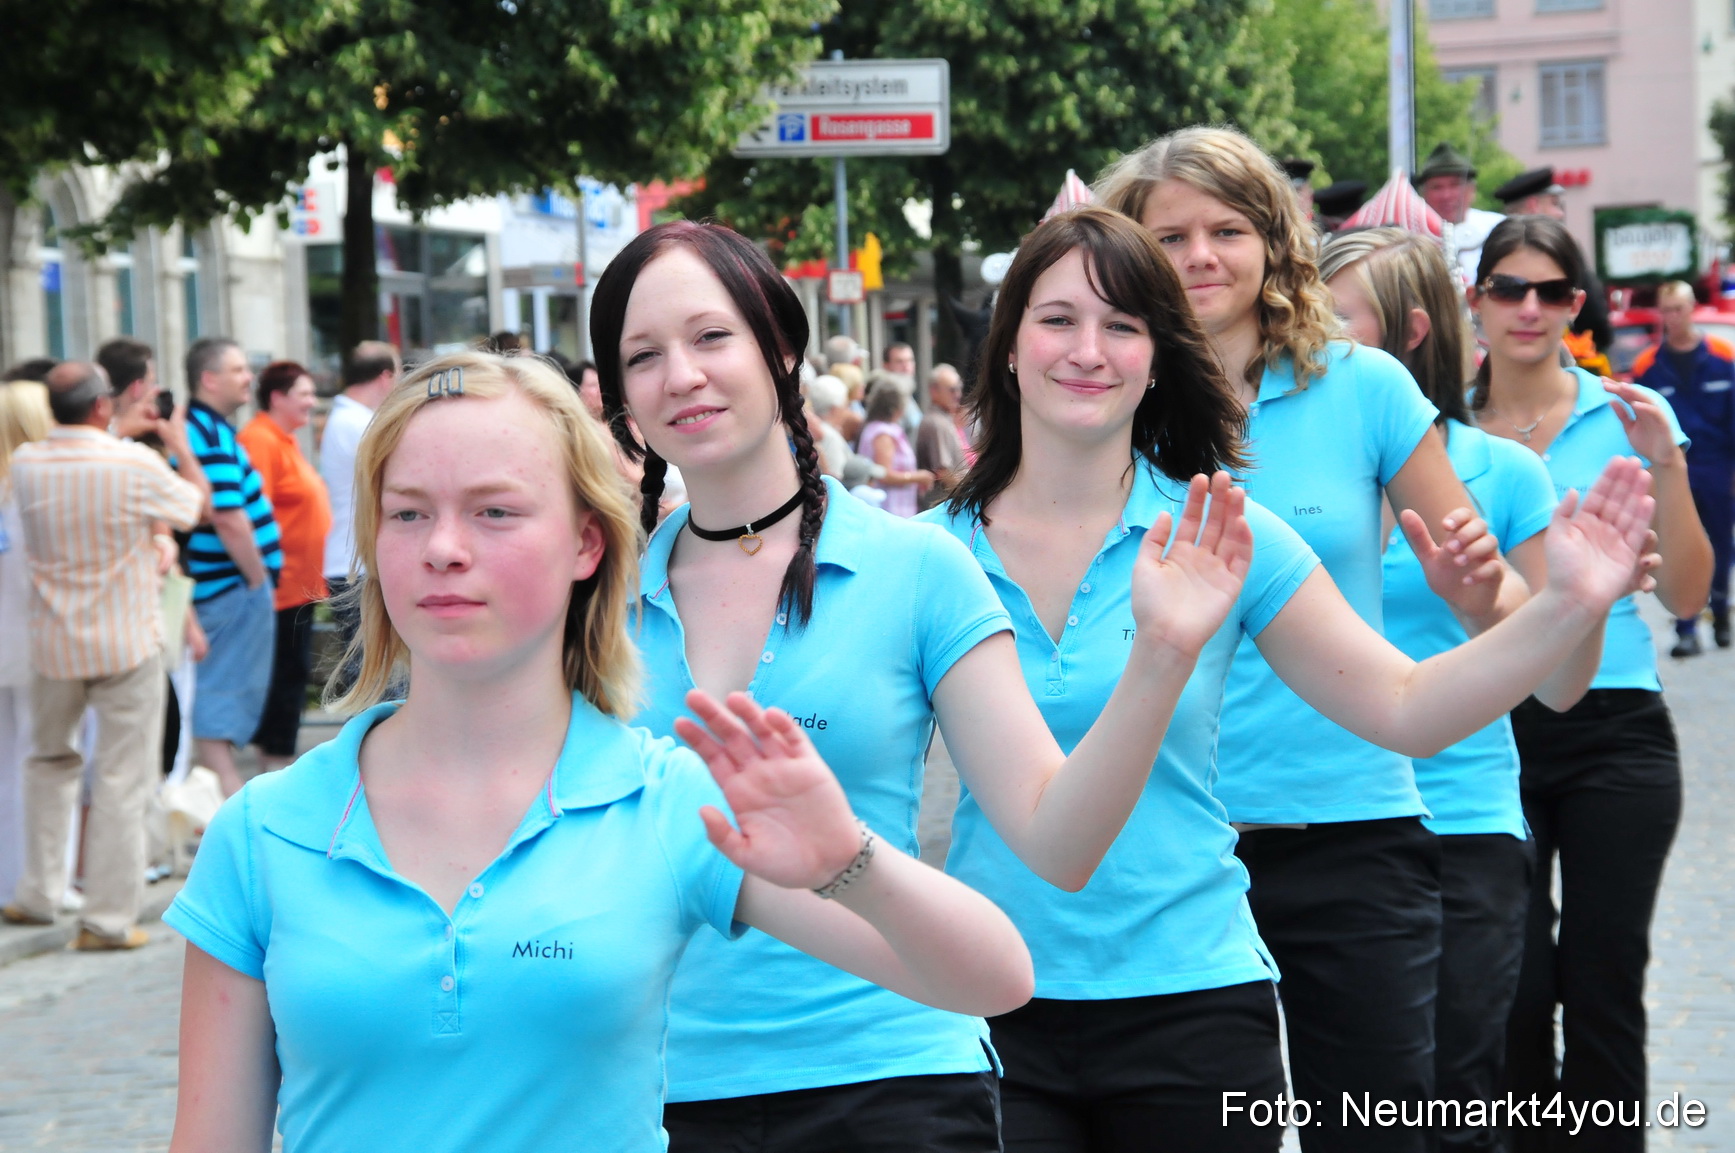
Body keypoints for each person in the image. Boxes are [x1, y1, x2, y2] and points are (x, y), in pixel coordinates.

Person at [163, 350, 1034, 1153]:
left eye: (495, 511)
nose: (443, 549)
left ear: (586, 541)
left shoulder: (664, 799)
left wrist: (852, 861)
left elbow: (993, 977)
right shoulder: (262, 830)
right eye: (407, 513)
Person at [921, 204, 1650, 1153]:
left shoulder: (1224, 532)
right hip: (990, 1002)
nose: (1088, 350)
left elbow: (1405, 706)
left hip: (1192, 1002)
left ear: (1156, 358)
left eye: (1123, 325)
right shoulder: (928, 558)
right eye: (1057, 319)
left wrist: (1563, 609)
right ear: (1007, 347)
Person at [591, 219, 1264, 1152]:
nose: (682, 375)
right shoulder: (593, 600)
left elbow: (1056, 840)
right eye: (642, 356)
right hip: (654, 1092)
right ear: (619, 394)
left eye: (712, 337)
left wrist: (1158, 655)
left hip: (894, 1080)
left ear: (780, 347)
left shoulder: (919, 567)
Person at [1095, 123, 1547, 1152]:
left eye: (1226, 228)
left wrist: (1480, 595)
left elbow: (1502, 609)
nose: (1200, 255)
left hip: (1354, 833)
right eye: (1168, 237)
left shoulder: (1365, 387)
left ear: (1273, 241)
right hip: (1164, 842)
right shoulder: (1102, 400)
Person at [1319, 227, 1605, 1153]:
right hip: (1306, 833)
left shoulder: (1498, 473)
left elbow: (1560, 685)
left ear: (1406, 333)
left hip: (1458, 827)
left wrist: (1567, 601)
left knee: (1446, 1103)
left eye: (1331, 322)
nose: (1297, 340)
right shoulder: (1276, 472)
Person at [1467, 217, 1712, 1153]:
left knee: (1602, 982)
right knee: (1515, 989)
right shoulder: (1434, 426)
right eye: (1507, 288)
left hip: (1617, 733)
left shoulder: (1628, 414)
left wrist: (1666, 457)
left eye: (1552, 291)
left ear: (1577, 305)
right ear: (1476, 300)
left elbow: (1687, 592)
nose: (1528, 309)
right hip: (1488, 728)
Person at [1, 362, 203, 948]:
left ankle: (37, 893)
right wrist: (175, 444)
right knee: (121, 777)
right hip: (125, 636)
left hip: (52, 640)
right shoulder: (132, 462)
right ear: (99, 407)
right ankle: (109, 918)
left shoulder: (26, 463)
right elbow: (193, 506)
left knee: (48, 762)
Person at [184, 337, 282, 796]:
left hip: (231, 586)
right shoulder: (203, 432)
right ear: (209, 378)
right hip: (229, 588)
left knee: (223, 691)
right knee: (220, 692)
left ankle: (223, 789)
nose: (249, 378)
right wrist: (258, 577)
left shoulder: (212, 429)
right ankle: (225, 792)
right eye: (239, 369)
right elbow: (226, 514)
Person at [239, 361, 333, 772]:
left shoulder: (284, 439)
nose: (312, 402)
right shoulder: (260, 440)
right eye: (304, 394)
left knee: (291, 674)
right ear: (277, 397)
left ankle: (278, 756)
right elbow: (252, 513)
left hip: (297, 584)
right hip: (279, 588)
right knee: (282, 678)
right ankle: (274, 760)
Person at [1633, 280, 1735, 654]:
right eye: (1666, 310)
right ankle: (1687, 629)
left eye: (1679, 309)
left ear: (1692, 309)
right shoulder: (1649, 365)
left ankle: (1721, 613)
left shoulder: (1724, 357)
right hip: (1672, 470)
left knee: (1721, 545)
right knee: (1675, 544)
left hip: (1717, 466)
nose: (1672, 317)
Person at [0, 380, 52, 909]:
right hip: (40, 644)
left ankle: (12, 877)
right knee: (41, 765)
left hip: (11, 641)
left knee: (9, 765)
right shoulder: (35, 492)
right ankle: (33, 879)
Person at [321, 341, 398, 663]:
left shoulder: (348, 421)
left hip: (351, 560)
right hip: (356, 564)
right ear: (385, 377)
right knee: (372, 672)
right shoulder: (357, 425)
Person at [1494, 170, 1612, 356]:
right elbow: (1593, 313)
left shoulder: (1493, 248)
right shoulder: (1560, 247)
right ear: (1533, 205)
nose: (1559, 213)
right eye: (1554, 204)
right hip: (1567, 356)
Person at [1414, 142, 1506, 286]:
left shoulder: (1499, 228)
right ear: (1423, 194)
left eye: (1455, 185)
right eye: (1436, 187)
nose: (1446, 195)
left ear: (1472, 190)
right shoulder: (1413, 235)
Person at [859, 381, 930, 517]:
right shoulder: (882, 433)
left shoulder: (890, 429)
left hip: (902, 507)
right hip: (888, 509)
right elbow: (884, 475)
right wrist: (917, 477)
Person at [915, 364, 967, 508]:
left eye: (959, 388)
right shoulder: (936, 423)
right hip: (944, 505)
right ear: (934, 391)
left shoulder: (944, 419)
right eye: (952, 390)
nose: (958, 395)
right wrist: (971, 494)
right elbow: (943, 472)